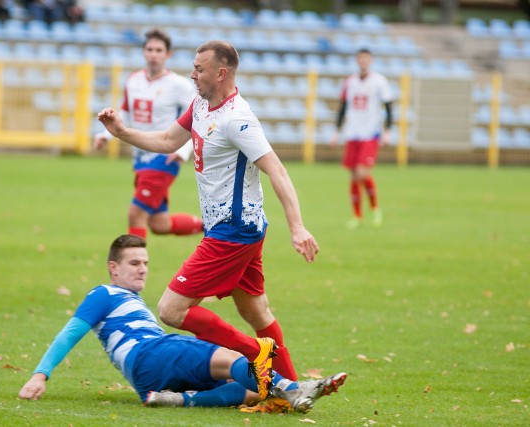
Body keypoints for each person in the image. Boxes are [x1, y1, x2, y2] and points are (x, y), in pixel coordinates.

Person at [97, 41, 319, 399]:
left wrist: (297, 226)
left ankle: (259, 356)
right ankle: (293, 390)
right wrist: (122, 133)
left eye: (199, 69)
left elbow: (276, 170)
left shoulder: (239, 119)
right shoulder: (201, 104)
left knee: (171, 309)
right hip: (240, 228)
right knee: (256, 310)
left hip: (234, 231)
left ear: (221, 73)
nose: (192, 73)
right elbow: (169, 140)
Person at [18, 234, 347, 413]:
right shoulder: (104, 293)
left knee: (249, 394)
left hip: (148, 378)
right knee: (231, 359)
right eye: (134, 263)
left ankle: (179, 400)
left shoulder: (130, 302)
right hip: (152, 353)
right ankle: (292, 388)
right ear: (112, 268)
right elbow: (70, 333)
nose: (142, 269)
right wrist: (40, 375)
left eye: (145, 263)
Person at [93, 29, 203, 241]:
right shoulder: (133, 80)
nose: (154, 54)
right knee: (159, 224)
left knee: (136, 215)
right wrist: (105, 135)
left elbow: (197, 117)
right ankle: (213, 228)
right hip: (141, 157)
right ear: (144, 52)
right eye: (150, 49)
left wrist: (183, 151)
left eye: (159, 50)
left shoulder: (179, 85)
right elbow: (126, 111)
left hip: (163, 156)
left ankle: (134, 270)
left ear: (167, 54)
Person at [330, 48, 394, 229]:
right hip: (352, 132)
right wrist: (337, 131)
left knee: (361, 173)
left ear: (371, 60)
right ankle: (357, 216)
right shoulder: (350, 82)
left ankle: (375, 209)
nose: (363, 62)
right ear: (357, 60)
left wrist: (387, 130)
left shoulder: (380, 81)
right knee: (353, 176)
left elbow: (389, 107)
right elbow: (343, 107)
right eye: (360, 59)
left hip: (370, 133)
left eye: (366, 59)